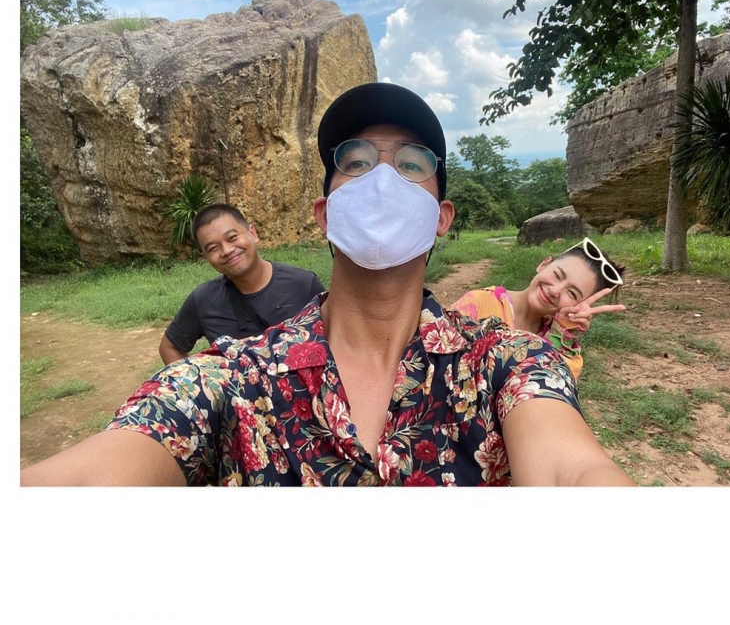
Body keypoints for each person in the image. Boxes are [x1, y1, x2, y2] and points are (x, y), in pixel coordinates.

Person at [20, 82, 634, 486]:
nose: (383, 180)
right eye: (356, 163)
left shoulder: (508, 364)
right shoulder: (230, 380)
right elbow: (97, 475)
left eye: (412, 164)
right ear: (325, 213)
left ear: (441, 218)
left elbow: (572, 473)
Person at [158, 203, 326, 363]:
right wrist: (201, 380)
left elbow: (335, 339)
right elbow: (169, 347)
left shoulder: (304, 285)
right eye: (213, 248)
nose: (227, 250)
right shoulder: (203, 299)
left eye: (232, 238)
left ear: (252, 233)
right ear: (206, 257)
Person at [450, 239, 627, 381]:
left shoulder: (560, 341)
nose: (555, 290)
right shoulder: (478, 303)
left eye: (572, 293)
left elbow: (549, 391)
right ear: (544, 264)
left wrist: (561, 336)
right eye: (557, 275)